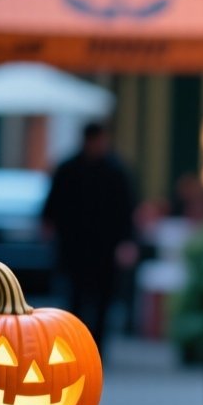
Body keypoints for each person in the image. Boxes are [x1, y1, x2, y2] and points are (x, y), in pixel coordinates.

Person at [42, 122, 137, 356]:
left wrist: (126, 242)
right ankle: (75, 345)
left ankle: (96, 349)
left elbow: (126, 210)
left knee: (103, 300)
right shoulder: (69, 169)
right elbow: (52, 206)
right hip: (74, 246)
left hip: (104, 247)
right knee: (75, 297)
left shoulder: (115, 171)